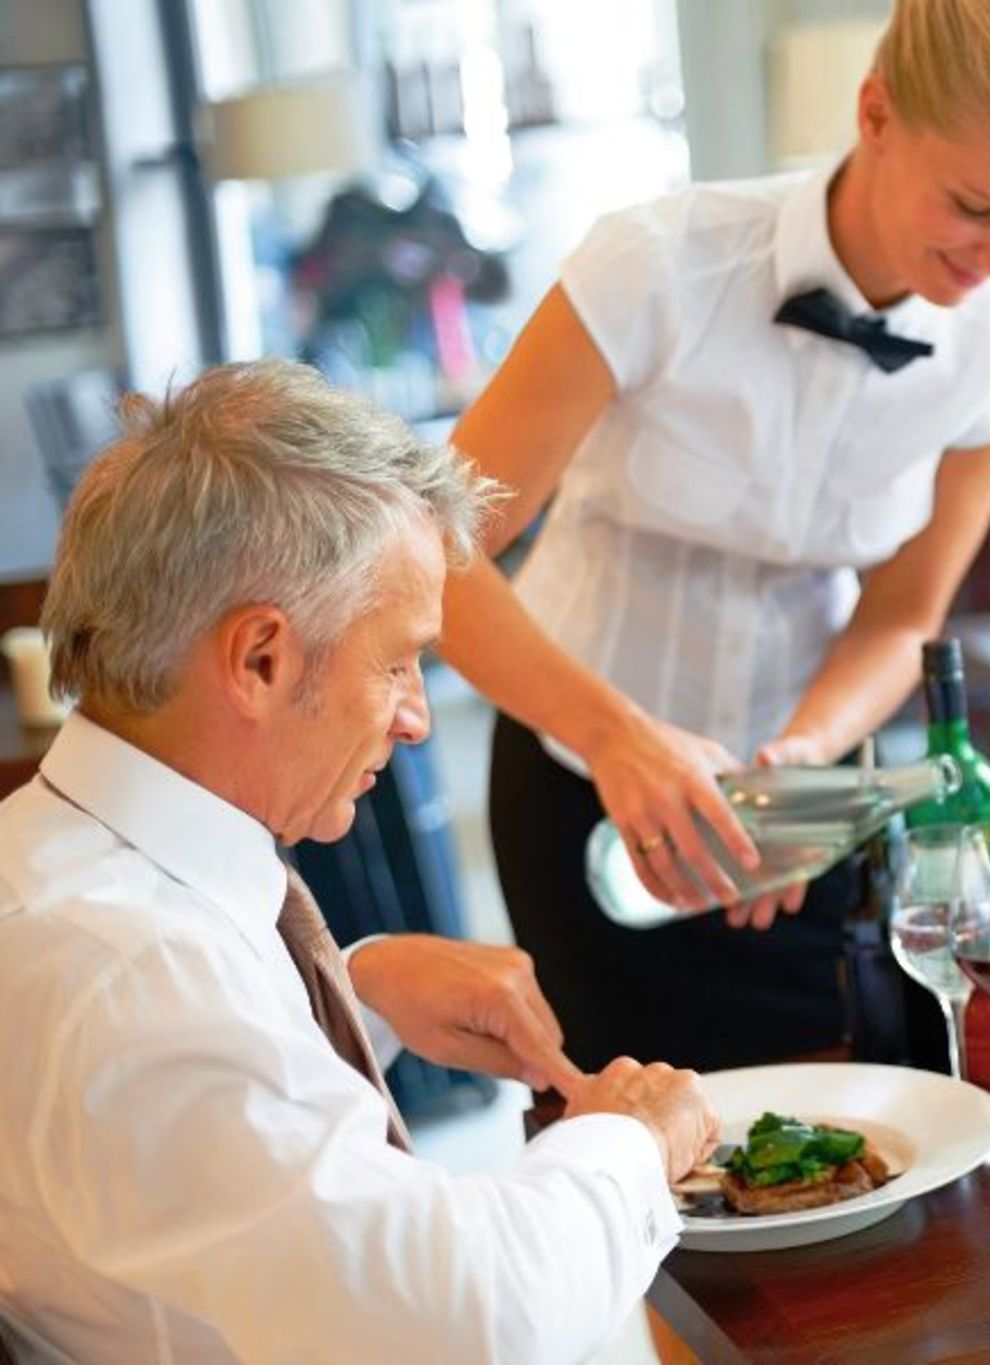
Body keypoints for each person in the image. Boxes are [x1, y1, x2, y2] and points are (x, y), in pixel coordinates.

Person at [0, 361, 721, 1364]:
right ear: (260, 659)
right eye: (397, 661)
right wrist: (634, 1140)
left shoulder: (50, 862)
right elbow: (479, 1320)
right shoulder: (136, 977)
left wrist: (354, 991)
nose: (418, 718)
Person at [440, 0, 990, 1071]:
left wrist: (801, 764)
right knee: (625, 1146)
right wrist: (616, 735)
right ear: (875, 113)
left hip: (795, 818)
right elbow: (430, 552)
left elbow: (900, 621)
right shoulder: (653, 266)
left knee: (832, 1143)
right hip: (578, 782)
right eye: (975, 207)